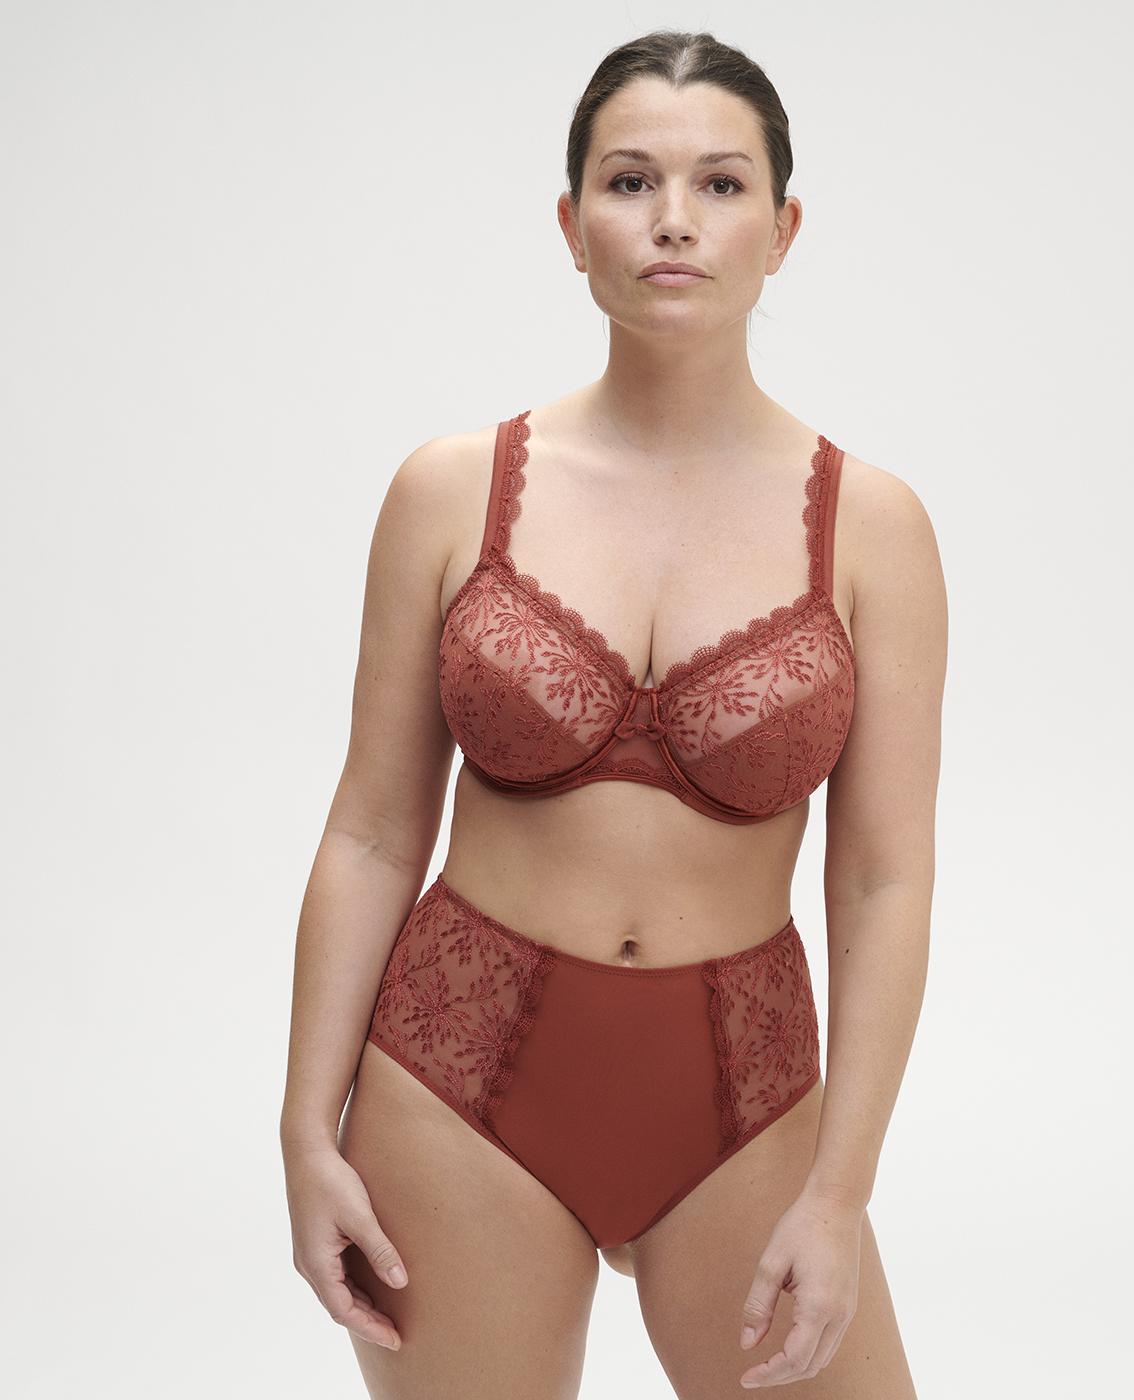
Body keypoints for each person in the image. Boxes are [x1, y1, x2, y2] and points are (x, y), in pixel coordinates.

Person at [281, 28, 945, 1398]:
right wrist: (303, 1123)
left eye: (722, 184)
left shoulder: (874, 530)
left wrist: (840, 1193)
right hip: (455, 1085)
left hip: (744, 1098)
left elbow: (883, 879)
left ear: (784, 229)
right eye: (631, 180)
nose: (674, 220)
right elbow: (371, 831)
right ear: (572, 222)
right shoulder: (448, 492)